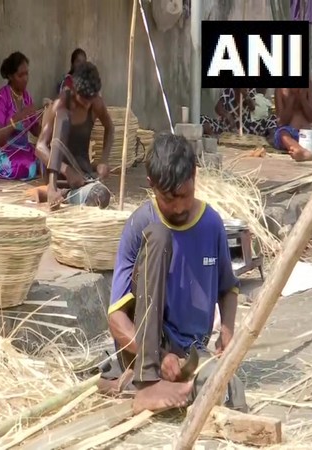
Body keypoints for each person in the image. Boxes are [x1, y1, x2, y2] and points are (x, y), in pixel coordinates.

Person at [107, 133, 246, 414]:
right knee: (158, 235)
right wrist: (157, 356)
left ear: (195, 177)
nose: (179, 207)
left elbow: (227, 288)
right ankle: (146, 383)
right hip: (145, 348)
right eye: (169, 198)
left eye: (185, 194)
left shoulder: (212, 224)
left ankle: (123, 383)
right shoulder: (141, 224)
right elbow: (117, 318)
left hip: (188, 353)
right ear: (151, 186)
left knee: (222, 389)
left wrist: (228, 333)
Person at [36, 62, 114, 210]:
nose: (87, 104)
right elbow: (40, 147)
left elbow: (110, 128)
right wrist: (66, 170)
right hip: (57, 174)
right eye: (83, 99)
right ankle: (54, 191)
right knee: (63, 118)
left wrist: (103, 160)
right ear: (74, 90)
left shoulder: (95, 103)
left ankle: (65, 195)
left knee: (102, 196)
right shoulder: (60, 105)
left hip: (82, 172)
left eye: (90, 99)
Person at [0, 52, 42, 180]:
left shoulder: (26, 97)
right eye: (21, 75)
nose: (25, 78)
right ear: (10, 76)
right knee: (24, 167)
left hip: (23, 150)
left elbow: (36, 131)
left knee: (47, 162)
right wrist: (17, 118)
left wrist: (44, 117)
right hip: (1, 151)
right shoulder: (1, 99)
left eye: (27, 73)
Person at [273, 79, 312, 162]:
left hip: (307, 134)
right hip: (290, 132)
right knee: (282, 134)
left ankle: (305, 150)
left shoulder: (307, 84)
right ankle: (299, 150)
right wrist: (291, 98)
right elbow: (282, 121)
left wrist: (302, 98)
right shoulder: (280, 89)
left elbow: (311, 117)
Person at [201, 88, 277, 139]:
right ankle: (213, 137)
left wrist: (246, 96)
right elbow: (218, 108)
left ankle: (272, 138)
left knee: (273, 119)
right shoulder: (229, 91)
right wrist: (228, 115)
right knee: (202, 118)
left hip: (247, 127)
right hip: (226, 127)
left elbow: (252, 107)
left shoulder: (249, 90)